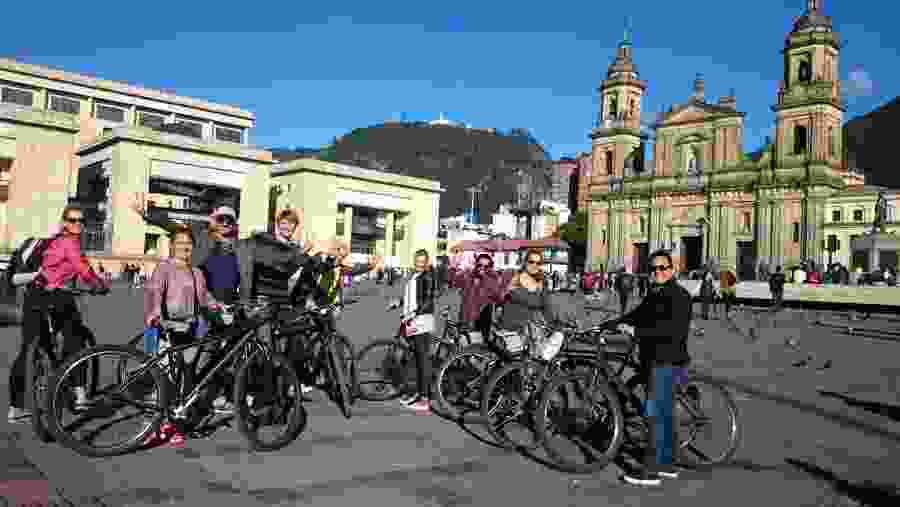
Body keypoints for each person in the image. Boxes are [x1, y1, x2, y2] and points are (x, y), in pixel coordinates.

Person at [8, 205, 110, 423]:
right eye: (73, 220)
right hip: (56, 298)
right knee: (75, 336)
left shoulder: (49, 244)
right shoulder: (68, 243)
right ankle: (80, 393)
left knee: (28, 350)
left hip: (33, 298)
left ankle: (15, 408)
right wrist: (99, 286)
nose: (77, 225)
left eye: (81, 221)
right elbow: (84, 270)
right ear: (64, 222)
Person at [613, 250, 692, 486]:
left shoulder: (679, 296)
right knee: (665, 414)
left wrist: (636, 332)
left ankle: (650, 471)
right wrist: (616, 322)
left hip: (667, 361)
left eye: (662, 268)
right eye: (654, 269)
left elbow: (672, 332)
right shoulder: (655, 293)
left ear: (672, 269)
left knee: (655, 414)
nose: (658, 272)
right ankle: (668, 465)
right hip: (655, 360)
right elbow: (640, 314)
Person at [142, 225, 220, 448]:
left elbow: (204, 299)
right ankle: (155, 425)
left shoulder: (196, 272)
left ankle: (176, 425)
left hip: (190, 330)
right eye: (180, 242)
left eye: (188, 243)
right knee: (165, 379)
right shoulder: (164, 268)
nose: (185, 246)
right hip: (168, 329)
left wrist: (220, 307)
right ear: (172, 245)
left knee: (186, 378)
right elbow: (155, 289)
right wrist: (155, 310)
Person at [130, 195, 242, 304]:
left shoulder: (240, 244)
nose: (225, 223)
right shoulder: (202, 235)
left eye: (229, 221)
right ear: (214, 221)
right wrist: (146, 215)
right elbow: (172, 225)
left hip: (229, 302)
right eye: (221, 219)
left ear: (234, 224)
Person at [387, 249, 437, 413]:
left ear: (427, 262)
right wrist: (399, 302)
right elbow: (413, 299)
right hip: (412, 321)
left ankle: (425, 399)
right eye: (417, 261)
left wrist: (413, 314)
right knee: (416, 359)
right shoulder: (415, 276)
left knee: (422, 360)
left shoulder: (427, 277)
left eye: (422, 261)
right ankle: (418, 393)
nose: (419, 264)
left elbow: (428, 300)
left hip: (421, 322)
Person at [448, 252, 504, 342]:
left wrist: (485, 279)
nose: (482, 268)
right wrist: (453, 266)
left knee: (479, 348)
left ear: (490, 267)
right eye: (480, 265)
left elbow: (499, 297)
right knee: (465, 346)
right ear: (475, 264)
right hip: (466, 319)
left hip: (483, 319)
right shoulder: (467, 275)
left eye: (486, 266)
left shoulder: (493, 279)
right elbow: (453, 282)